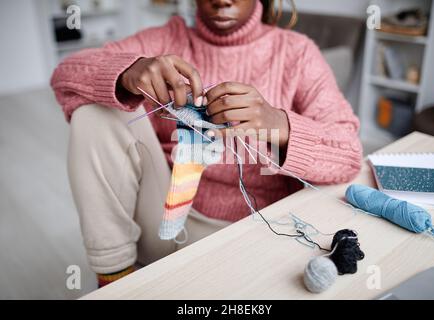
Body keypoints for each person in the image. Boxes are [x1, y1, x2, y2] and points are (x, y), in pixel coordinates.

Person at [51, 0, 362, 287]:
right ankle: (114, 280)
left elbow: (349, 154)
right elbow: (66, 72)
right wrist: (127, 73)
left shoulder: (297, 53)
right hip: (162, 218)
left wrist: (278, 123)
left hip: (257, 232)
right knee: (95, 112)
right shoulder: (165, 40)